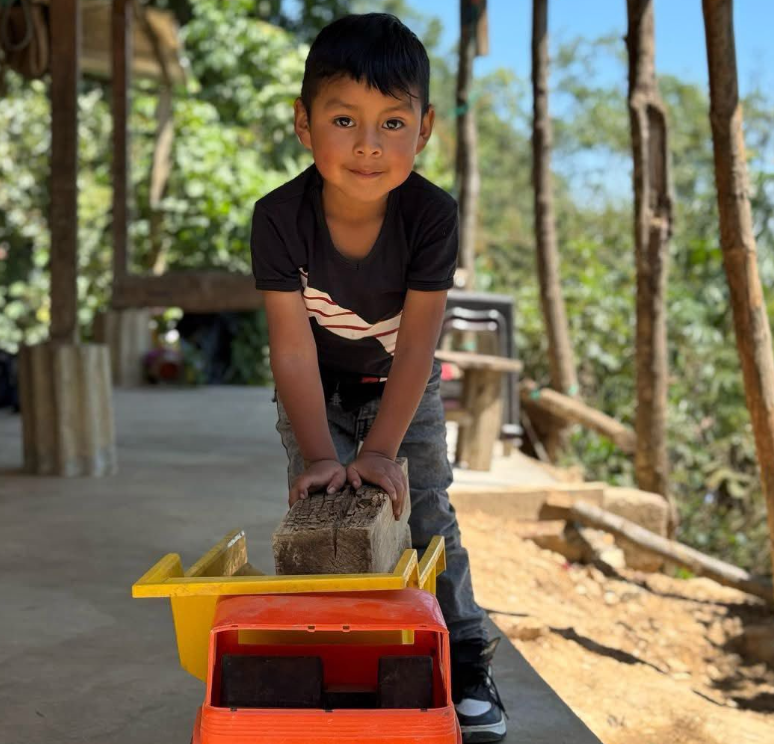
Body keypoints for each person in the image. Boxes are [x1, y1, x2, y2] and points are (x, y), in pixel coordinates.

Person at [249, 12, 507, 742]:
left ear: (423, 130)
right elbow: (291, 351)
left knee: (424, 513)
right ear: (303, 124)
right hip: (317, 391)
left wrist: (383, 451)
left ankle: (463, 661)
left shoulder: (431, 216)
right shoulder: (278, 218)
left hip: (403, 387)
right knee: (321, 519)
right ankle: (332, 660)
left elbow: (420, 346)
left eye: (392, 123)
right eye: (344, 119)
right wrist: (322, 456)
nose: (369, 144)